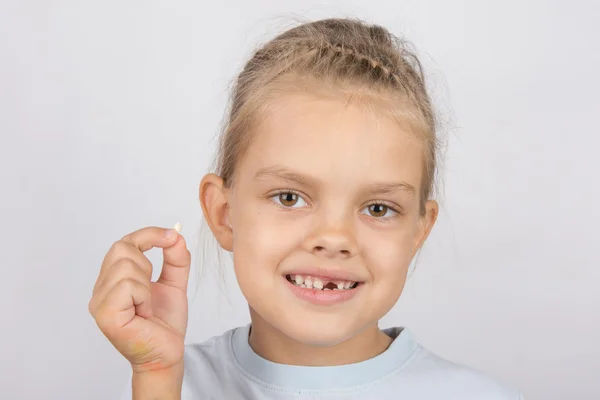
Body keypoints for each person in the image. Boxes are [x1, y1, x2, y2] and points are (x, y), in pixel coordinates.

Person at [89, 17, 523, 400]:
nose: (334, 239)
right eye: (290, 197)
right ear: (223, 214)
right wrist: (157, 378)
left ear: (418, 231)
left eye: (377, 208)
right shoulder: (161, 383)